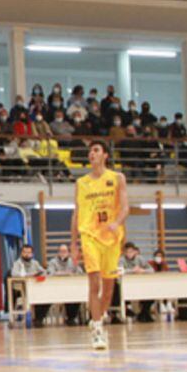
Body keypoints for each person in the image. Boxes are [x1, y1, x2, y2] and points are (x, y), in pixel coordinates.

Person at [71, 140, 129, 351]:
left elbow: (125, 207)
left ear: (105, 155)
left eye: (96, 150)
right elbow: (76, 213)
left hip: (111, 238)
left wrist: (116, 222)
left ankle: (97, 318)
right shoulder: (81, 183)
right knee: (94, 284)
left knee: (108, 291)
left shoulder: (117, 178)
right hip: (90, 236)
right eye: (90, 151)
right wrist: (73, 243)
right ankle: (97, 330)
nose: (91, 153)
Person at [11, 244, 49, 326]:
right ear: (21, 253)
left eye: (29, 252)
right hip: (23, 289)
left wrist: (39, 274)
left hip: (37, 288)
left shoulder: (35, 263)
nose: (27, 254)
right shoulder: (17, 263)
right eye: (25, 252)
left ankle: (39, 319)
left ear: (32, 254)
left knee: (46, 298)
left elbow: (44, 272)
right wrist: (28, 275)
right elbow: (14, 274)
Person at [47, 244, 81, 325]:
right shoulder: (52, 262)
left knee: (77, 296)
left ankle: (71, 318)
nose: (63, 253)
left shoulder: (72, 261)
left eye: (65, 251)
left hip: (71, 288)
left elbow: (80, 273)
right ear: (58, 253)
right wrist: (63, 273)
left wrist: (75, 268)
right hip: (55, 289)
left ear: (68, 253)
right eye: (61, 251)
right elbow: (50, 273)